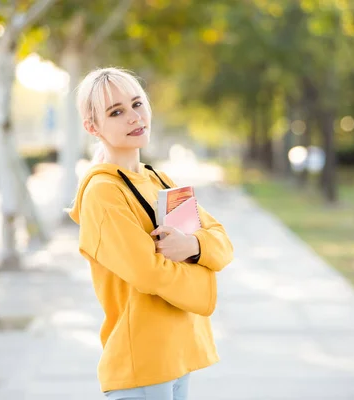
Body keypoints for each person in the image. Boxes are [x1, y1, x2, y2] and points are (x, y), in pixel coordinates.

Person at [68, 67, 234, 400]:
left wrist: (191, 245)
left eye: (137, 104)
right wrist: (204, 277)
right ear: (92, 126)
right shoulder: (103, 192)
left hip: (178, 357)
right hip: (142, 364)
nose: (134, 117)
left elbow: (222, 241)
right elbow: (148, 273)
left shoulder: (159, 179)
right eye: (116, 112)